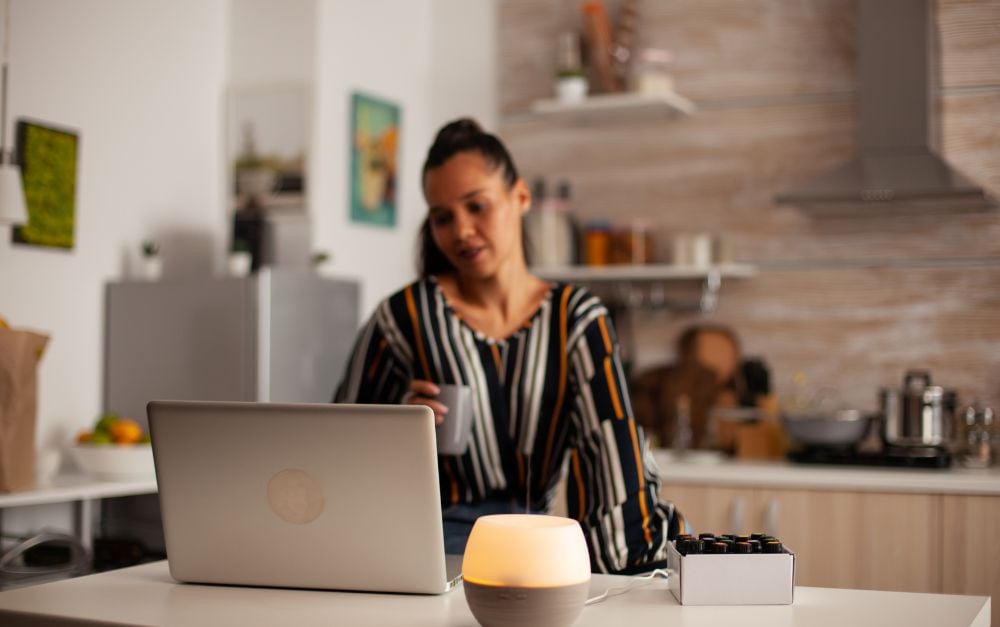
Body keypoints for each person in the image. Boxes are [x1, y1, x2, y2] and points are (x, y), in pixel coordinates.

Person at [335, 118, 685, 574]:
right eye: (443, 217)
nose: (461, 230)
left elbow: (612, 447)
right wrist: (397, 429)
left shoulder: (577, 319)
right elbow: (340, 453)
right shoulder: (403, 317)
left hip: (532, 547)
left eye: (476, 206)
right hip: (427, 551)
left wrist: (633, 567)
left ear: (520, 197)